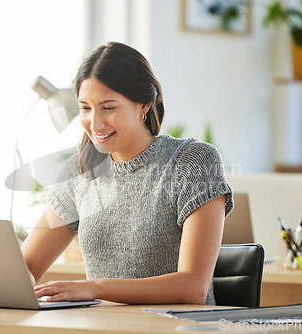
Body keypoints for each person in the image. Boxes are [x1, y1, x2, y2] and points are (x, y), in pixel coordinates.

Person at [21, 41, 233, 305]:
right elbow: (26, 268)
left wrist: (95, 288)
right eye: (85, 108)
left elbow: (193, 287)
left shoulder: (192, 162)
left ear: (144, 104)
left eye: (108, 107)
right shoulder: (79, 174)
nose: (94, 123)